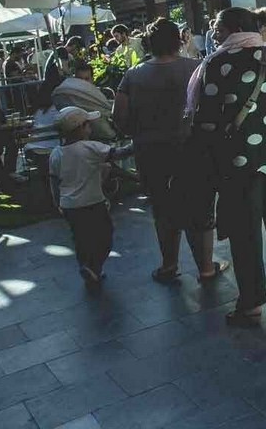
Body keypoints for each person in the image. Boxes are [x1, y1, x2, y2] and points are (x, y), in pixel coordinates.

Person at [190, 7, 266, 327]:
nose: (213, 31)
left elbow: (207, 118)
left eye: (217, 25)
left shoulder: (217, 63)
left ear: (232, 28)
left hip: (237, 163)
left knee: (245, 231)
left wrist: (208, 159)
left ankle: (252, 302)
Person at [115, 19, 228, 285]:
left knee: (162, 209)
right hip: (193, 150)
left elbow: (118, 116)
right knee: (199, 208)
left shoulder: (133, 74)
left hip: (150, 151)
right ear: (178, 40)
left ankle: (169, 265)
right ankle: (206, 268)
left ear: (149, 43)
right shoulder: (196, 68)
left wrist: (139, 131)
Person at [48, 106, 131, 290]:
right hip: (92, 202)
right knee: (105, 235)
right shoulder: (90, 147)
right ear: (79, 128)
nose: (90, 127)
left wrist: (57, 202)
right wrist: (138, 143)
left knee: (80, 238)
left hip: (69, 205)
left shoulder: (56, 154)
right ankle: (95, 266)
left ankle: (86, 266)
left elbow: (54, 181)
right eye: (87, 124)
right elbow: (118, 153)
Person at [52, 63, 117, 141]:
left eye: (86, 79)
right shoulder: (67, 97)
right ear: (75, 80)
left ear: (92, 79)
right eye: (80, 79)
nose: (83, 83)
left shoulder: (103, 94)